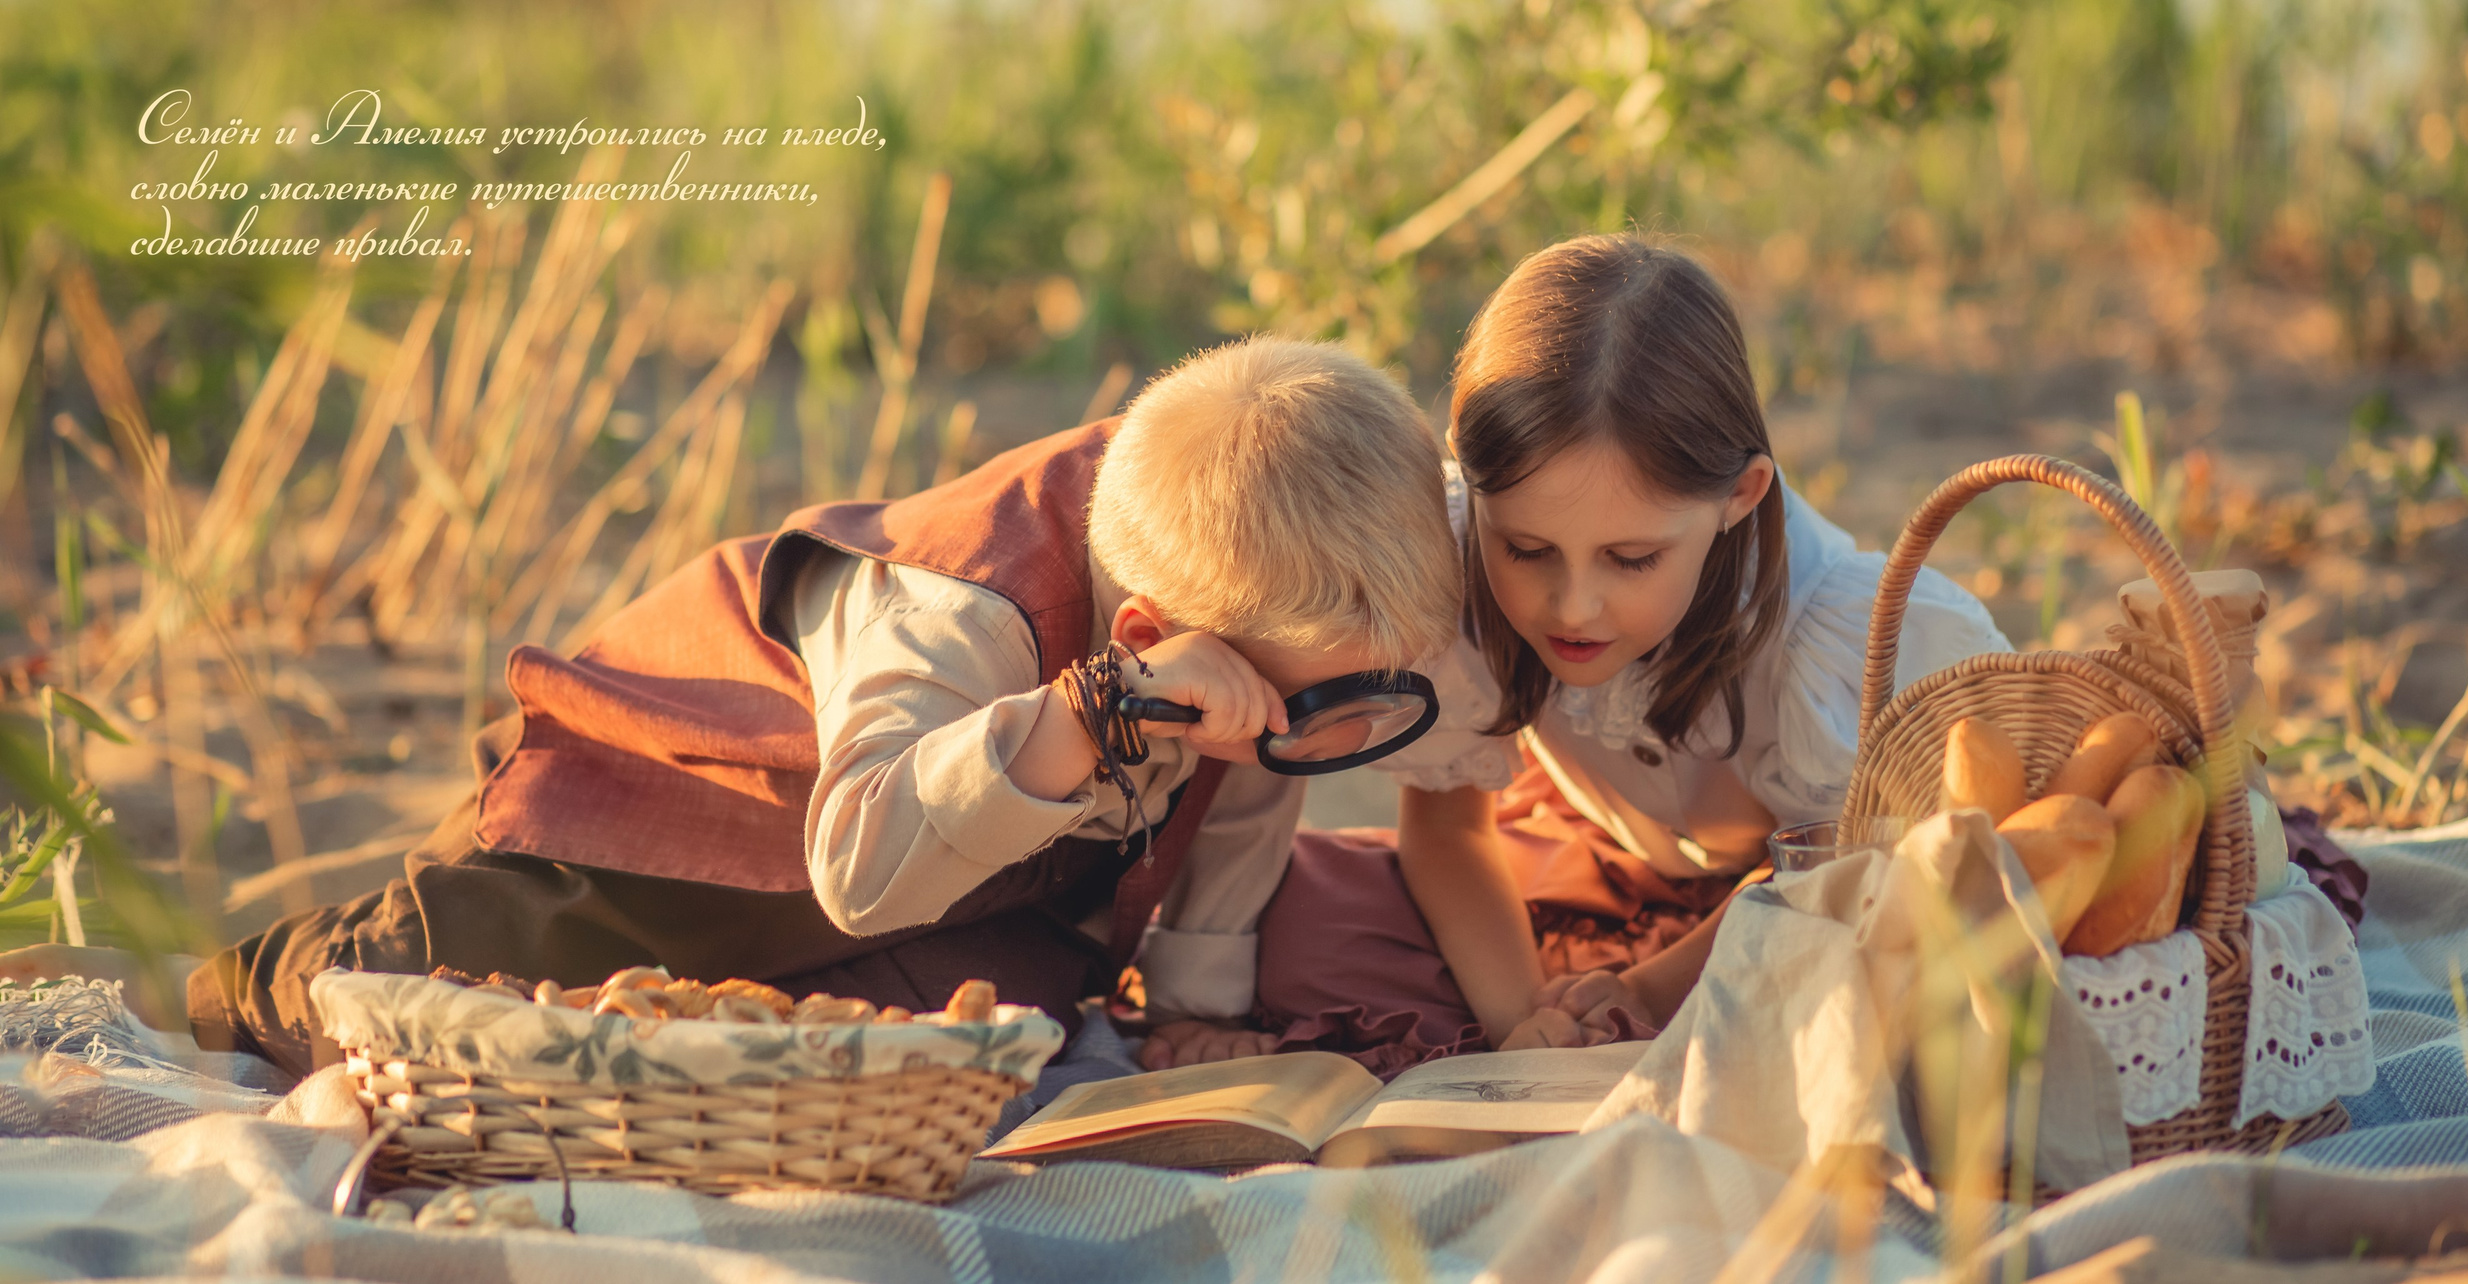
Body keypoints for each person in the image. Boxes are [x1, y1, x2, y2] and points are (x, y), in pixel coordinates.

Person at [1, 337, 1463, 1078]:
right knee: (447, 976)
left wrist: (1199, 1011)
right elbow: (860, 858)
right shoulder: (961, 606)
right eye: (1313, 708)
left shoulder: (1268, 587)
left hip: (972, 868)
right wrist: (1085, 712)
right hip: (691, 809)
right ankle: (189, 988)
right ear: (1152, 642)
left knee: (1007, 1007)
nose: (1328, 742)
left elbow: (1254, 787)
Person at [1253, 235, 2012, 1061]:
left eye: (1632, 559)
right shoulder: (1449, 559)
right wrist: (1522, 1022)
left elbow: (1842, 876)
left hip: (1774, 902)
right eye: (1528, 550)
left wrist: (1648, 991)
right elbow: (1451, 835)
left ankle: (1636, 1009)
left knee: (1870, 967)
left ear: (1740, 495)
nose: (1572, 606)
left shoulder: (1831, 628)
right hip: (1586, 864)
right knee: (1300, 924)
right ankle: (1582, 1010)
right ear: (1474, 486)